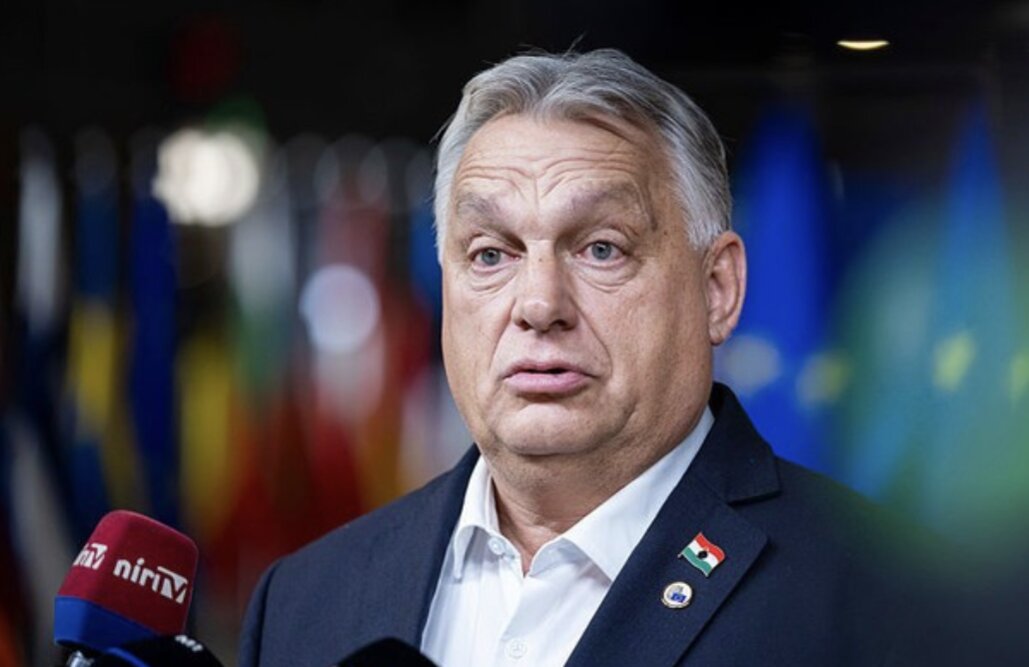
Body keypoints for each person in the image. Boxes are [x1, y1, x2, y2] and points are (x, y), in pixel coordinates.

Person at [239, 49, 930, 666]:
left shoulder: (892, 597)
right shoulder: (304, 601)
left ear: (717, 289)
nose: (539, 304)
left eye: (602, 248)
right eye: (490, 254)